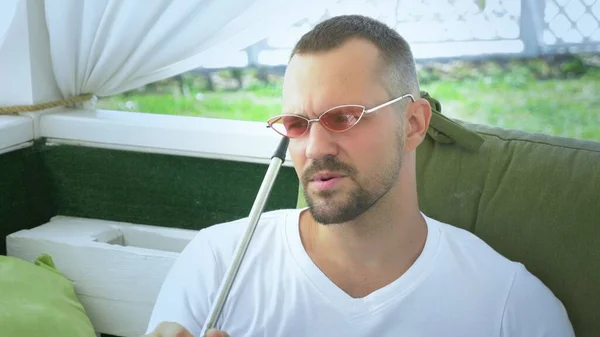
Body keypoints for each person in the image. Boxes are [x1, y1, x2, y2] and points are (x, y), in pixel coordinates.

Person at [144, 15, 574, 337]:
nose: (315, 148)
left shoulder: (509, 307)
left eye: (344, 117)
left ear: (413, 124)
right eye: (297, 124)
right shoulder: (219, 263)